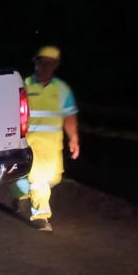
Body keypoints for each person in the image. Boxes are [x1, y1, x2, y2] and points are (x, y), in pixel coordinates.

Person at [14, 46, 80, 232]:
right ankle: (41, 216)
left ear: (56, 65)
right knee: (39, 179)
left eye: (49, 64)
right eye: (41, 63)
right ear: (35, 63)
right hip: (30, 143)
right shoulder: (25, 85)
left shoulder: (62, 89)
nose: (44, 67)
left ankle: (19, 191)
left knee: (52, 178)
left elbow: (69, 116)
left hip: (52, 145)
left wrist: (73, 139)